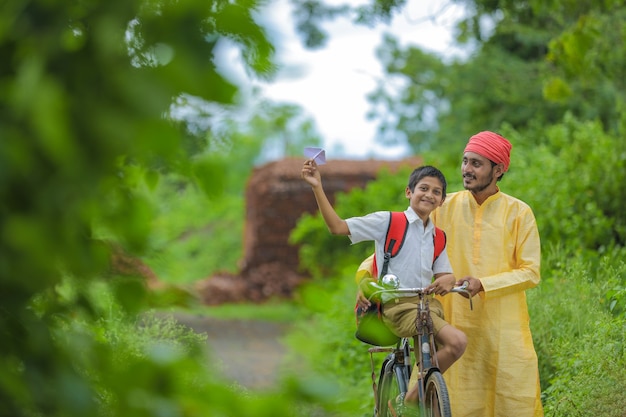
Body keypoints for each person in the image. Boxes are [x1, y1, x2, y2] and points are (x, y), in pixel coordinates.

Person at [301, 161, 467, 407]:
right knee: (458, 342)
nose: (429, 195)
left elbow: (444, 274)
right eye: (423, 188)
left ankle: (417, 393)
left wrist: (447, 280)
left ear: (442, 201)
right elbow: (337, 227)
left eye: (436, 192)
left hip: (426, 305)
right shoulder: (388, 222)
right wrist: (317, 186)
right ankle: (408, 402)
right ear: (408, 192)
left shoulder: (438, 236)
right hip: (396, 306)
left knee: (438, 350)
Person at [431, 131, 544, 416]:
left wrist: (484, 284)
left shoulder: (519, 213)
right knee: (452, 397)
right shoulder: (443, 207)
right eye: (465, 161)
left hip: (502, 331)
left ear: (499, 170)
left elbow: (531, 272)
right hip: (453, 322)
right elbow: (404, 241)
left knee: (508, 398)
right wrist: (368, 275)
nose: (467, 169)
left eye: (476, 164)